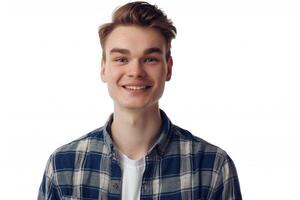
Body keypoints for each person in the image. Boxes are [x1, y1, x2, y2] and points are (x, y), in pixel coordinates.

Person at [38, 1, 242, 199]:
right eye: (121, 59)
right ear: (103, 68)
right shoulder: (63, 165)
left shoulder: (212, 167)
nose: (135, 71)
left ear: (168, 68)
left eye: (150, 59)